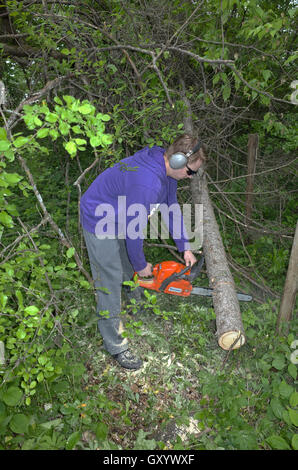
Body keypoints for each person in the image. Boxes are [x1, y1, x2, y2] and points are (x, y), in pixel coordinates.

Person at [80, 134, 205, 370]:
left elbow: (170, 206)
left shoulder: (165, 169)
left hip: (118, 214)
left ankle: (135, 304)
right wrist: (141, 265)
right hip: (99, 218)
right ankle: (116, 345)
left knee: (128, 262)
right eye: (191, 172)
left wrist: (185, 246)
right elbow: (133, 231)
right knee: (110, 278)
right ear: (178, 162)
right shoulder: (148, 182)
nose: (191, 177)